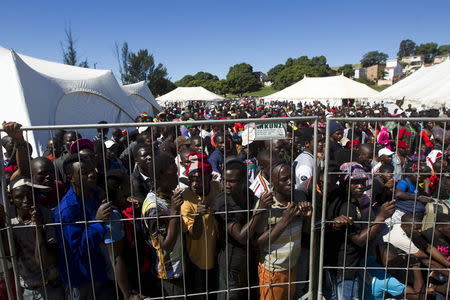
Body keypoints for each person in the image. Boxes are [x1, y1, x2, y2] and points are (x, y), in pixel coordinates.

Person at [326, 163, 395, 300]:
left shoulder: (350, 199)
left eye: (362, 182)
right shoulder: (345, 206)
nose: (360, 186)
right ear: (346, 183)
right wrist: (381, 217)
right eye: (355, 182)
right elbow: (359, 240)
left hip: (346, 264)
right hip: (344, 267)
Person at [54, 154, 114, 299]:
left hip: (100, 273)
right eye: (84, 172)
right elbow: (77, 250)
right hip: (82, 281)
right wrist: (97, 222)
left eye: (92, 170)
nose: (92, 174)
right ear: (70, 178)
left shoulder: (93, 194)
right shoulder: (68, 210)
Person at [212, 157, 271, 300]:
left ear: (243, 181)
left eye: (232, 181)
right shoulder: (222, 203)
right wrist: (260, 209)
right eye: (225, 180)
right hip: (231, 265)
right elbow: (241, 237)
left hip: (249, 262)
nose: (227, 184)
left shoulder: (248, 196)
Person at [255, 162, 312, 300]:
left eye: (292, 178)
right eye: (284, 179)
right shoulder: (266, 204)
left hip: (293, 266)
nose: (290, 182)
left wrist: (307, 217)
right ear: (273, 182)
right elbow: (258, 243)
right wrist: (285, 220)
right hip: (273, 271)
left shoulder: (299, 197)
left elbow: (305, 232)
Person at [6, 176, 65, 299]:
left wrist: (38, 228)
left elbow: (44, 262)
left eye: (29, 195)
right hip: (28, 288)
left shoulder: (46, 215)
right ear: (11, 199)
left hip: (52, 286)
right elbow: (11, 255)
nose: (26, 200)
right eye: (19, 197)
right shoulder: (9, 219)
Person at [142, 154, 185, 297]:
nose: (177, 177)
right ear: (160, 175)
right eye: (173, 174)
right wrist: (174, 211)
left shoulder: (167, 195)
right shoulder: (153, 206)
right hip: (170, 274)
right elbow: (166, 244)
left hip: (181, 266)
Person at [180, 153, 221, 299]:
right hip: (199, 261)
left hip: (219, 255)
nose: (194, 184)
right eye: (191, 179)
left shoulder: (218, 188)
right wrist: (198, 216)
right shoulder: (186, 199)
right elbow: (194, 234)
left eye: (198, 179)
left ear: (209, 178)